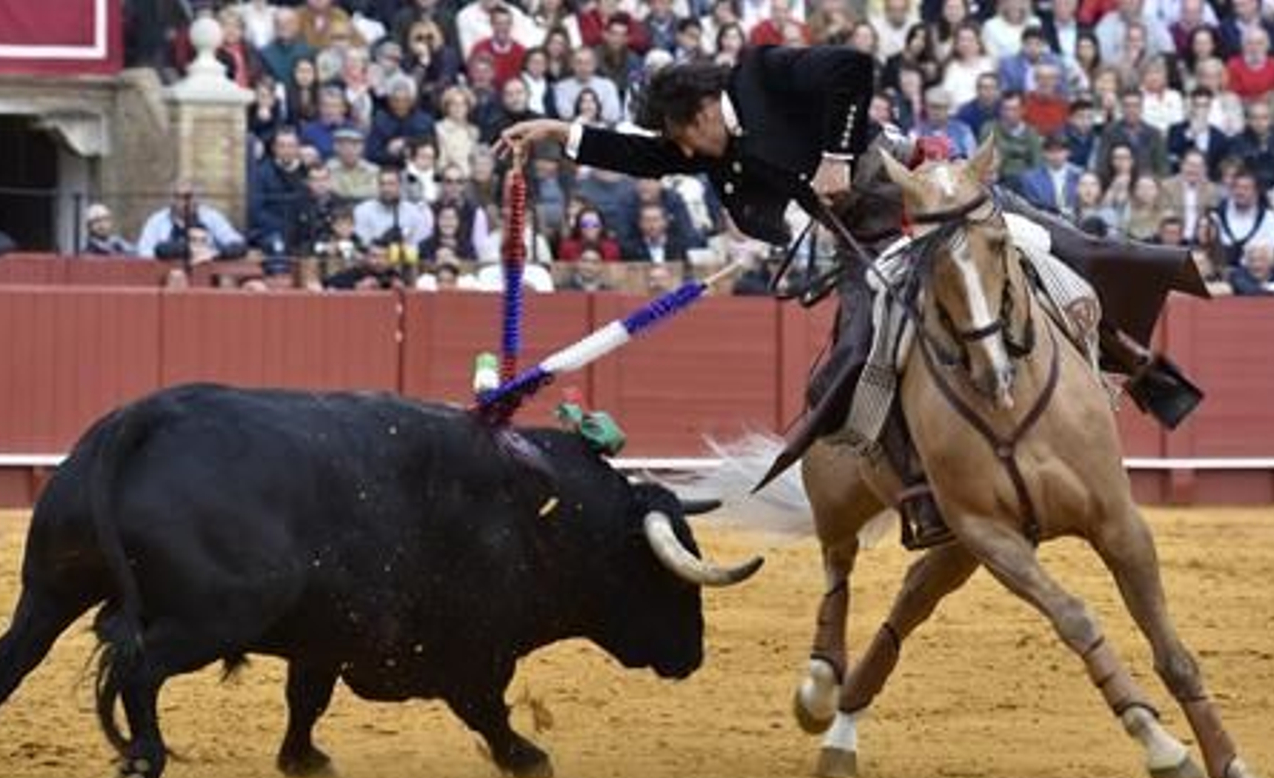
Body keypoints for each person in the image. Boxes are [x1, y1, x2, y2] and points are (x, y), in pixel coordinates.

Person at [501, 47, 1204, 548]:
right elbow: (644, 156)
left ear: (705, 107)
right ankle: (921, 493)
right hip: (860, 237)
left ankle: (1143, 368)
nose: (684, 149)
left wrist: (837, 156)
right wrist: (559, 134)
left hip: (913, 185)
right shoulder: (706, 148)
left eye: (686, 131)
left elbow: (853, 70)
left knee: (1050, 245)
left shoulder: (762, 75)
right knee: (858, 357)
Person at [136, 181, 247, 262]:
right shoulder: (157, 221)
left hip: (206, 274)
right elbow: (145, 253)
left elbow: (237, 243)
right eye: (181, 197)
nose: (186, 202)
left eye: (191, 196)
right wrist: (183, 250)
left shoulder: (211, 217)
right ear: (172, 199)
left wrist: (214, 254)